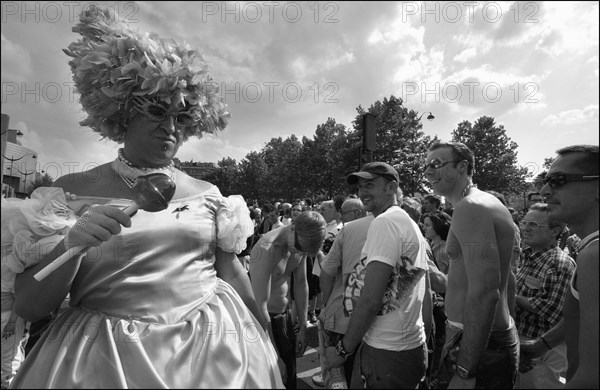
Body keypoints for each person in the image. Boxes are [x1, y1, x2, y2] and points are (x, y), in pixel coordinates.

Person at [8, 6, 283, 388]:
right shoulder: (68, 191)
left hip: (215, 360)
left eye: (182, 116)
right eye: (157, 110)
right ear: (122, 111)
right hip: (103, 361)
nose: (170, 127)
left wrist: (264, 334)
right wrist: (71, 245)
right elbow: (30, 305)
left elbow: (231, 272)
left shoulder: (210, 195)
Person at [324, 162, 429, 389]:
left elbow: (370, 300)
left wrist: (343, 349)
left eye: (370, 185)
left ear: (391, 188)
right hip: (404, 346)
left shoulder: (385, 222)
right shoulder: (404, 220)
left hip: (387, 351)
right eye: (360, 186)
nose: (362, 192)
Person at [424, 141, 518, 389]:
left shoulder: (471, 207)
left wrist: (465, 370)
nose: (428, 172)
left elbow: (486, 292)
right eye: (426, 166)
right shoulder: (483, 204)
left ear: (463, 166)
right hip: (488, 337)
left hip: (475, 341)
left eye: (436, 164)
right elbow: (508, 279)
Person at [521, 145, 598, 389]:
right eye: (546, 180)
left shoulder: (594, 255)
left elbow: (592, 376)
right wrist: (539, 345)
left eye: (557, 180)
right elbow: (582, 318)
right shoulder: (590, 250)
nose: (544, 190)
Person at [249, 211, 327, 389]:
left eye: (305, 251)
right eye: (300, 247)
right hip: (263, 323)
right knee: (272, 379)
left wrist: (303, 327)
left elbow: (301, 284)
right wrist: (274, 354)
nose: (300, 252)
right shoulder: (265, 249)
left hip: (283, 318)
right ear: (293, 228)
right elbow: (258, 304)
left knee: (290, 377)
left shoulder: (300, 243)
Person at [515, 203, 575, 388]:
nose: (525, 228)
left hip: (543, 347)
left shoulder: (559, 263)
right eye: (524, 222)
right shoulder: (526, 256)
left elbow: (550, 309)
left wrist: (510, 295)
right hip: (522, 343)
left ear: (555, 231)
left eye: (533, 224)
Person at [317, 198, 372, 387]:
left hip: (344, 317)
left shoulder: (349, 230)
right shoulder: (401, 225)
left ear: (357, 213)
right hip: (378, 323)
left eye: (344, 212)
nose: (341, 215)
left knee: (341, 376)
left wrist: (328, 301)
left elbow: (326, 273)